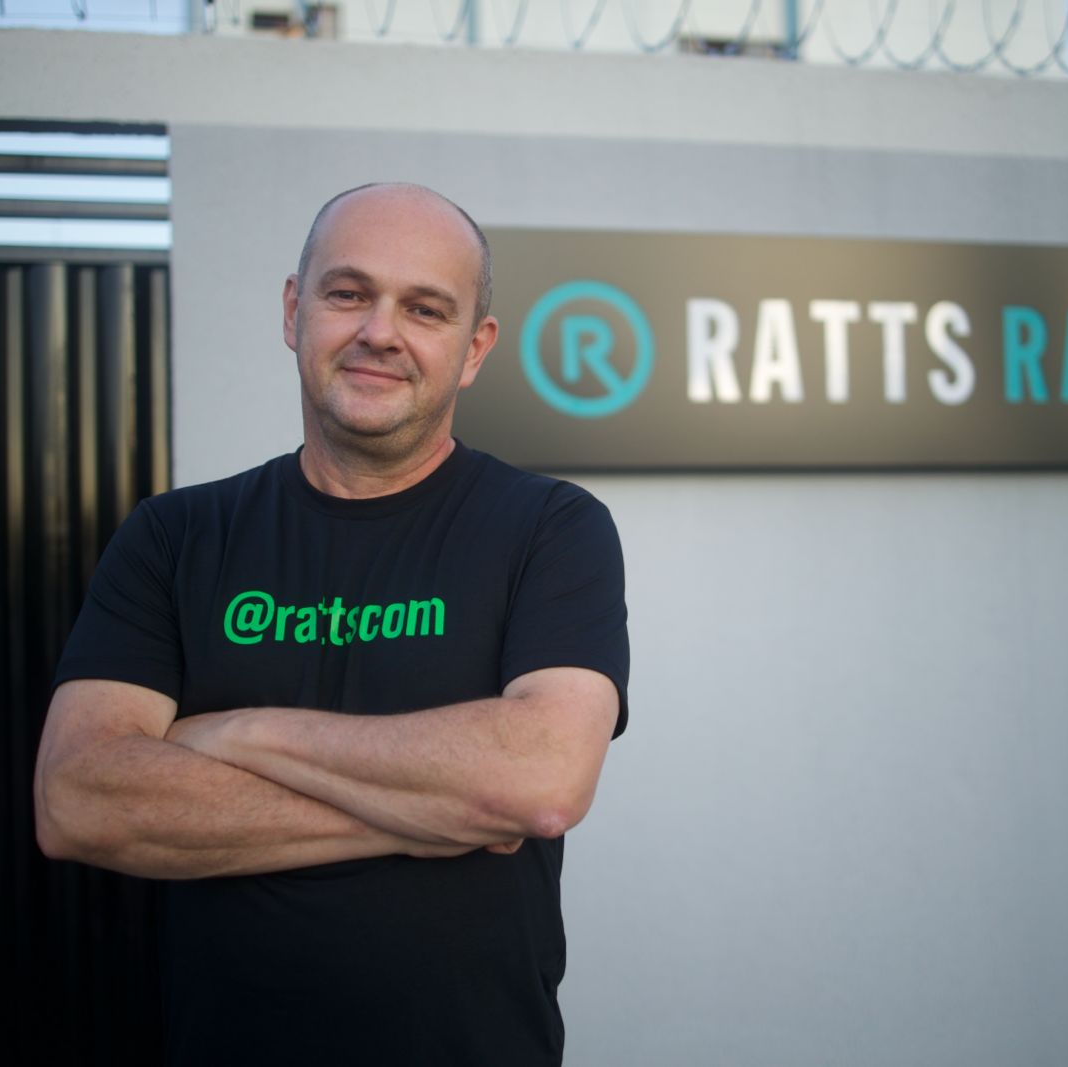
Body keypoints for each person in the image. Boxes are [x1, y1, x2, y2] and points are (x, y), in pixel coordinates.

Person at [33, 182, 630, 1065]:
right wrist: (441, 808)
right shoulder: (174, 536)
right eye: (349, 293)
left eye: (425, 308)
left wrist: (235, 732)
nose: (380, 331)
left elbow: (539, 778)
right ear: (293, 310)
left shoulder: (549, 527)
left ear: (474, 348)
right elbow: (78, 799)